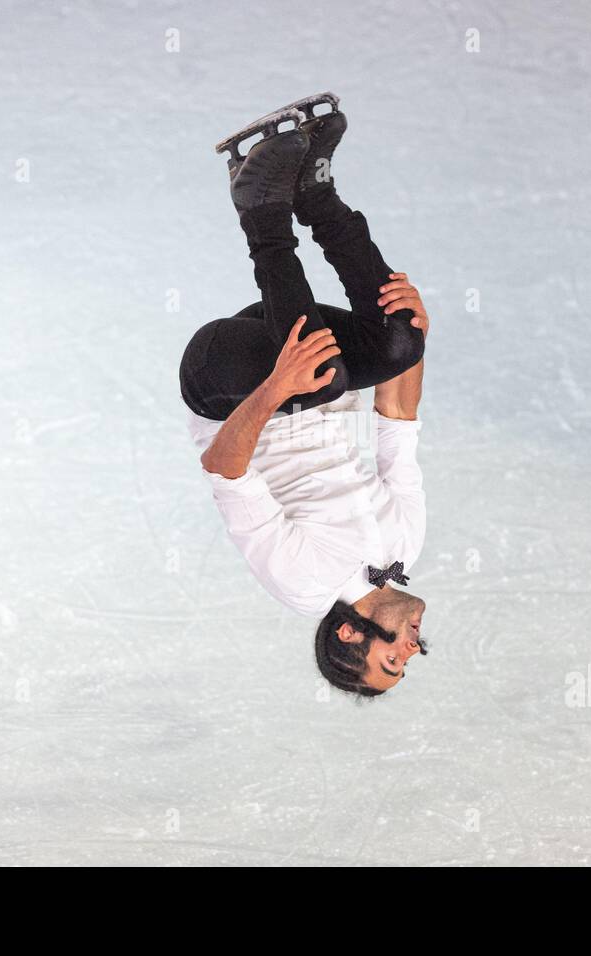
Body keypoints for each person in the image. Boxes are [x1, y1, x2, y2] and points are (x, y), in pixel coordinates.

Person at [178, 96, 431, 696]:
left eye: (393, 660)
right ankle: (317, 195)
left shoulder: (305, 585)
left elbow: (224, 467)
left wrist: (276, 388)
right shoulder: (405, 543)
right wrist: (417, 335)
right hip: (309, 353)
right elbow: (398, 417)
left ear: (352, 636)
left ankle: (259, 206)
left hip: (226, 380)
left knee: (325, 379)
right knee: (398, 346)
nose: (413, 648)